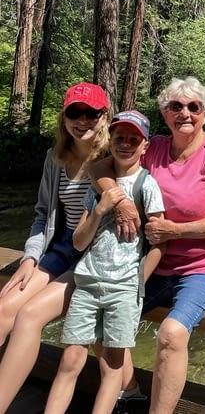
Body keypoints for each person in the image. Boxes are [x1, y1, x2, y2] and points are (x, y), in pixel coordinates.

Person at [91, 76, 205, 414]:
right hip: (157, 262)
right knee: (98, 324)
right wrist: (118, 201)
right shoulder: (154, 147)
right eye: (176, 106)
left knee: (171, 335)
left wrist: (174, 230)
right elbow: (99, 166)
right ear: (165, 112)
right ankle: (131, 393)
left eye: (194, 107)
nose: (185, 113)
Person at [44, 110, 165, 414]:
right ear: (110, 140)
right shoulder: (97, 186)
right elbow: (78, 241)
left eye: (133, 139)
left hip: (124, 289)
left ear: (144, 146)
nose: (126, 144)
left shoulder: (147, 186)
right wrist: (100, 210)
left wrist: (138, 282)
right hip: (86, 283)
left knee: (112, 365)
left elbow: (159, 242)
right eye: (120, 137)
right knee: (70, 359)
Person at [0, 82, 110, 414]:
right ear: (64, 118)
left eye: (91, 113)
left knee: (30, 316)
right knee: (4, 308)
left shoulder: (111, 159)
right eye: (74, 113)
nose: (82, 120)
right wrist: (30, 257)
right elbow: (42, 214)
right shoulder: (55, 158)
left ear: (103, 117)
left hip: (94, 256)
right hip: (60, 248)